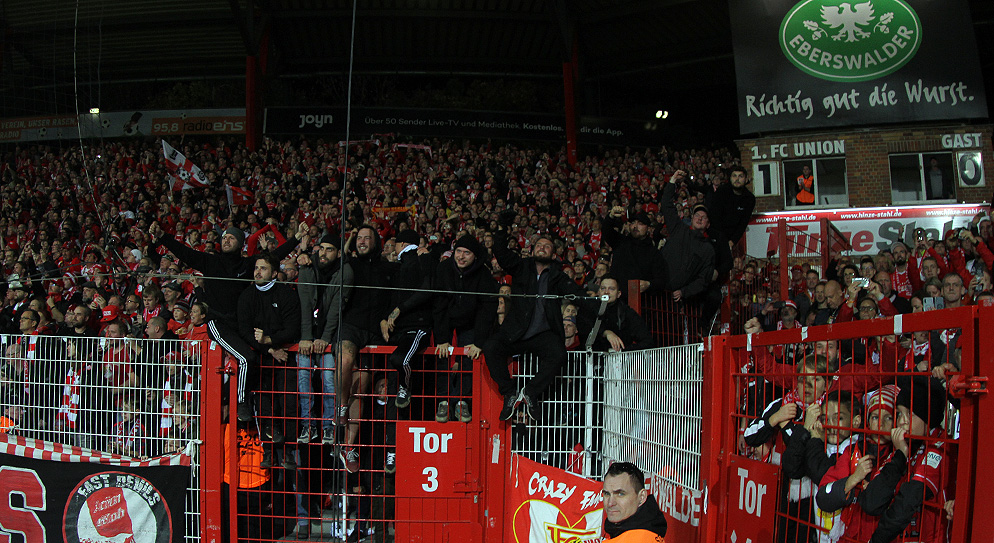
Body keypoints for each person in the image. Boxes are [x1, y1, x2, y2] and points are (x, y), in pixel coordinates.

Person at [154, 222, 306, 422]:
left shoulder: (247, 265)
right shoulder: (210, 261)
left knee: (255, 358)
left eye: (231, 238)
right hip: (218, 323)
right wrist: (163, 236)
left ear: (241, 244)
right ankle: (241, 403)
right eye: (224, 237)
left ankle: (254, 411)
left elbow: (274, 257)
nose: (226, 240)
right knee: (246, 359)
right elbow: (184, 252)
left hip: (240, 324)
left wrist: (296, 238)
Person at [484, 230, 585, 423]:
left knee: (559, 354)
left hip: (543, 334)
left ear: (554, 255)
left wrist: (601, 302)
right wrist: (503, 227)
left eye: (547, 246)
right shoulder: (521, 267)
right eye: (539, 245)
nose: (542, 248)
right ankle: (510, 393)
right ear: (532, 251)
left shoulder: (558, 276)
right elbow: (501, 253)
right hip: (516, 331)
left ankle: (531, 392)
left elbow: (579, 295)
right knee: (490, 347)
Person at [860, 376, 950, 543]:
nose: (902, 422)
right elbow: (871, 502)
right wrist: (900, 456)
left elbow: (908, 500)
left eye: (911, 414)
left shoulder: (940, 446)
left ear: (927, 416)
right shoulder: (903, 446)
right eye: (899, 413)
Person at [237, 253, 301, 464]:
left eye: (262, 268)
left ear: (274, 273)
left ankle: (289, 452)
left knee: (288, 402)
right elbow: (244, 331)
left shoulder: (286, 294)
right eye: (256, 268)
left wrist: (270, 339)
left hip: (285, 356)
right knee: (263, 403)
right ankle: (268, 452)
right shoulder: (247, 296)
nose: (257, 272)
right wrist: (269, 349)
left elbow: (293, 328)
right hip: (262, 357)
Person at [432, 234, 498, 423]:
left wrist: (479, 341)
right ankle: (443, 401)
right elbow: (438, 305)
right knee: (442, 356)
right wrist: (442, 339)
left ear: (475, 256)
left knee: (468, 359)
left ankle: (462, 401)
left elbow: (487, 309)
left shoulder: (483, 274)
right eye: (458, 251)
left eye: (466, 253)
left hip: (472, 321)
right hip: (446, 317)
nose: (461, 256)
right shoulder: (443, 268)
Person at [296, 233, 352, 446]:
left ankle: (329, 427)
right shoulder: (307, 267)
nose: (324, 253)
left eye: (330, 249)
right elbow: (304, 305)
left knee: (329, 380)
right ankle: (308, 425)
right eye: (322, 248)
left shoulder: (345, 271)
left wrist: (325, 338)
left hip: (329, 337)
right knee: (303, 378)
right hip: (307, 335)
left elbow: (336, 310)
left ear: (338, 253)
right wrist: (306, 337)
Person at [658, 169, 715, 304]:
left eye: (703, 217)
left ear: (708, 224)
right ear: (692, 218)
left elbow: (703, 279)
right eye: (697, 215)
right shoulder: (679, 229)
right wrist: (672, 181)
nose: (699, 218)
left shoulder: (708, 250)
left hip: (677, 298)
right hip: (657, 288)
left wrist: (685, 291)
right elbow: (666, 205)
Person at [580, 275, 653, 352]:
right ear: (598, 292)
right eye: (603, 288)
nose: (606, 292)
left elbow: (647, 341)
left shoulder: (626, 312)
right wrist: (605, 332)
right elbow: (584, 329)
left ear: (618, 294)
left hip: (620, 358)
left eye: (611, 289)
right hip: (590, 357)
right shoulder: (588, 309)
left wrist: (622, 351)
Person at [601, 462, 667, 542]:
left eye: (620, 494)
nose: (610, 503)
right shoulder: (649, 530)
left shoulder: (635, 538)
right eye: (607, 494)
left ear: (642, 497)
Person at [602, 207, 661, 295]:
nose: (635, 226)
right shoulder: (620, 242)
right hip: (616, 297)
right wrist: (611, 216)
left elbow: (660, 279)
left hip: (639, 299)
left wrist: (649, 284)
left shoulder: (654, 252)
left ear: (648, 228)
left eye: (640, 223)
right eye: (633, 223)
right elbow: (606, 230)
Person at [706, 165, 756, 247]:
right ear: (730, 178)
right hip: (716, 234)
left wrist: (733, 241)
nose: (737, 179)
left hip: (732, 237)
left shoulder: (749, 199)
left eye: (740, 176)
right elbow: (714, 217)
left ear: (746, 179)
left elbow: (743, 223)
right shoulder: (721, 192)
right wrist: (722, 240)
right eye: (734, 176)